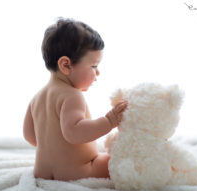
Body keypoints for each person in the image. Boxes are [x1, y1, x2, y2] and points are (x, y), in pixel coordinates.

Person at [23, 18, 127, 181]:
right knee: (117, 161)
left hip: (41, 172)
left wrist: (53, 148)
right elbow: (74, 132)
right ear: (66, 65)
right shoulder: (72, 95)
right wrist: (109, 121)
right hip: (79, 171)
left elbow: (29, 135)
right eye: (94, 66)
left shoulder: (37, 97)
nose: (98, 73)